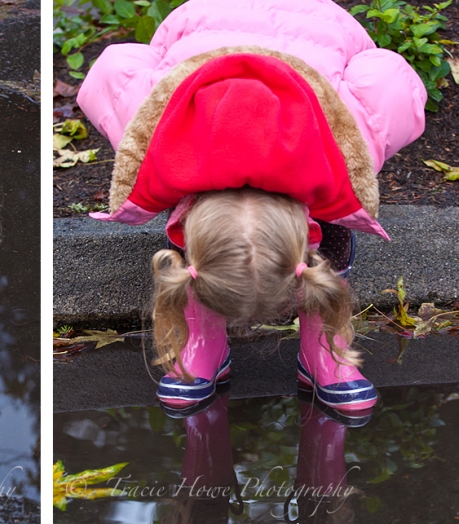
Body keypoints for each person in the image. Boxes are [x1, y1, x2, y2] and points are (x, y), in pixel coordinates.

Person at [77, 0, 426, 411]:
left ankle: (324, 347)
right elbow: (389, 75)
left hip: (248, 19)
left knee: (334, 204)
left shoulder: (346, 132)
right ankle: (203, 342)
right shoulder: (153, 125)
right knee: (306, 197)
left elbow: (117, 64)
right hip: (243, 22)